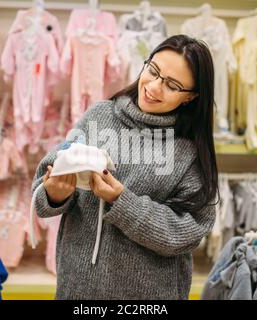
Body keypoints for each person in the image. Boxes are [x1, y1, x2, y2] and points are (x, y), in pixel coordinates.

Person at [32, 35, 218, 299]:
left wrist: (121, 202)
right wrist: (54, 194)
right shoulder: (99, 116)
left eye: (173, 85)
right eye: (153, 70)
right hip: (77, 292)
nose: (154, 87)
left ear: (191, 97)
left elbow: (187, 233)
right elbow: (41, 194)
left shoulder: (189, 150)